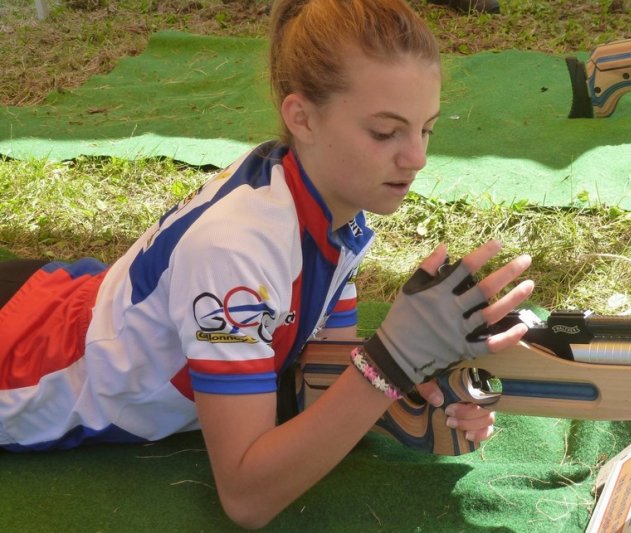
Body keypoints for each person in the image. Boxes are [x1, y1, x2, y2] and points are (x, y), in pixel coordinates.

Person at [0, 0, 533, 528]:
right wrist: (392, 364)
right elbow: (247, 495)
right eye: (384, 132)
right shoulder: (236, 252)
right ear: (300, 117)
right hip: (18, 359)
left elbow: (322, 380)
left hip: (54, 303)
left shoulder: (323, 202)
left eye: (426, 129)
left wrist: (410, 399)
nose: (416, 157)